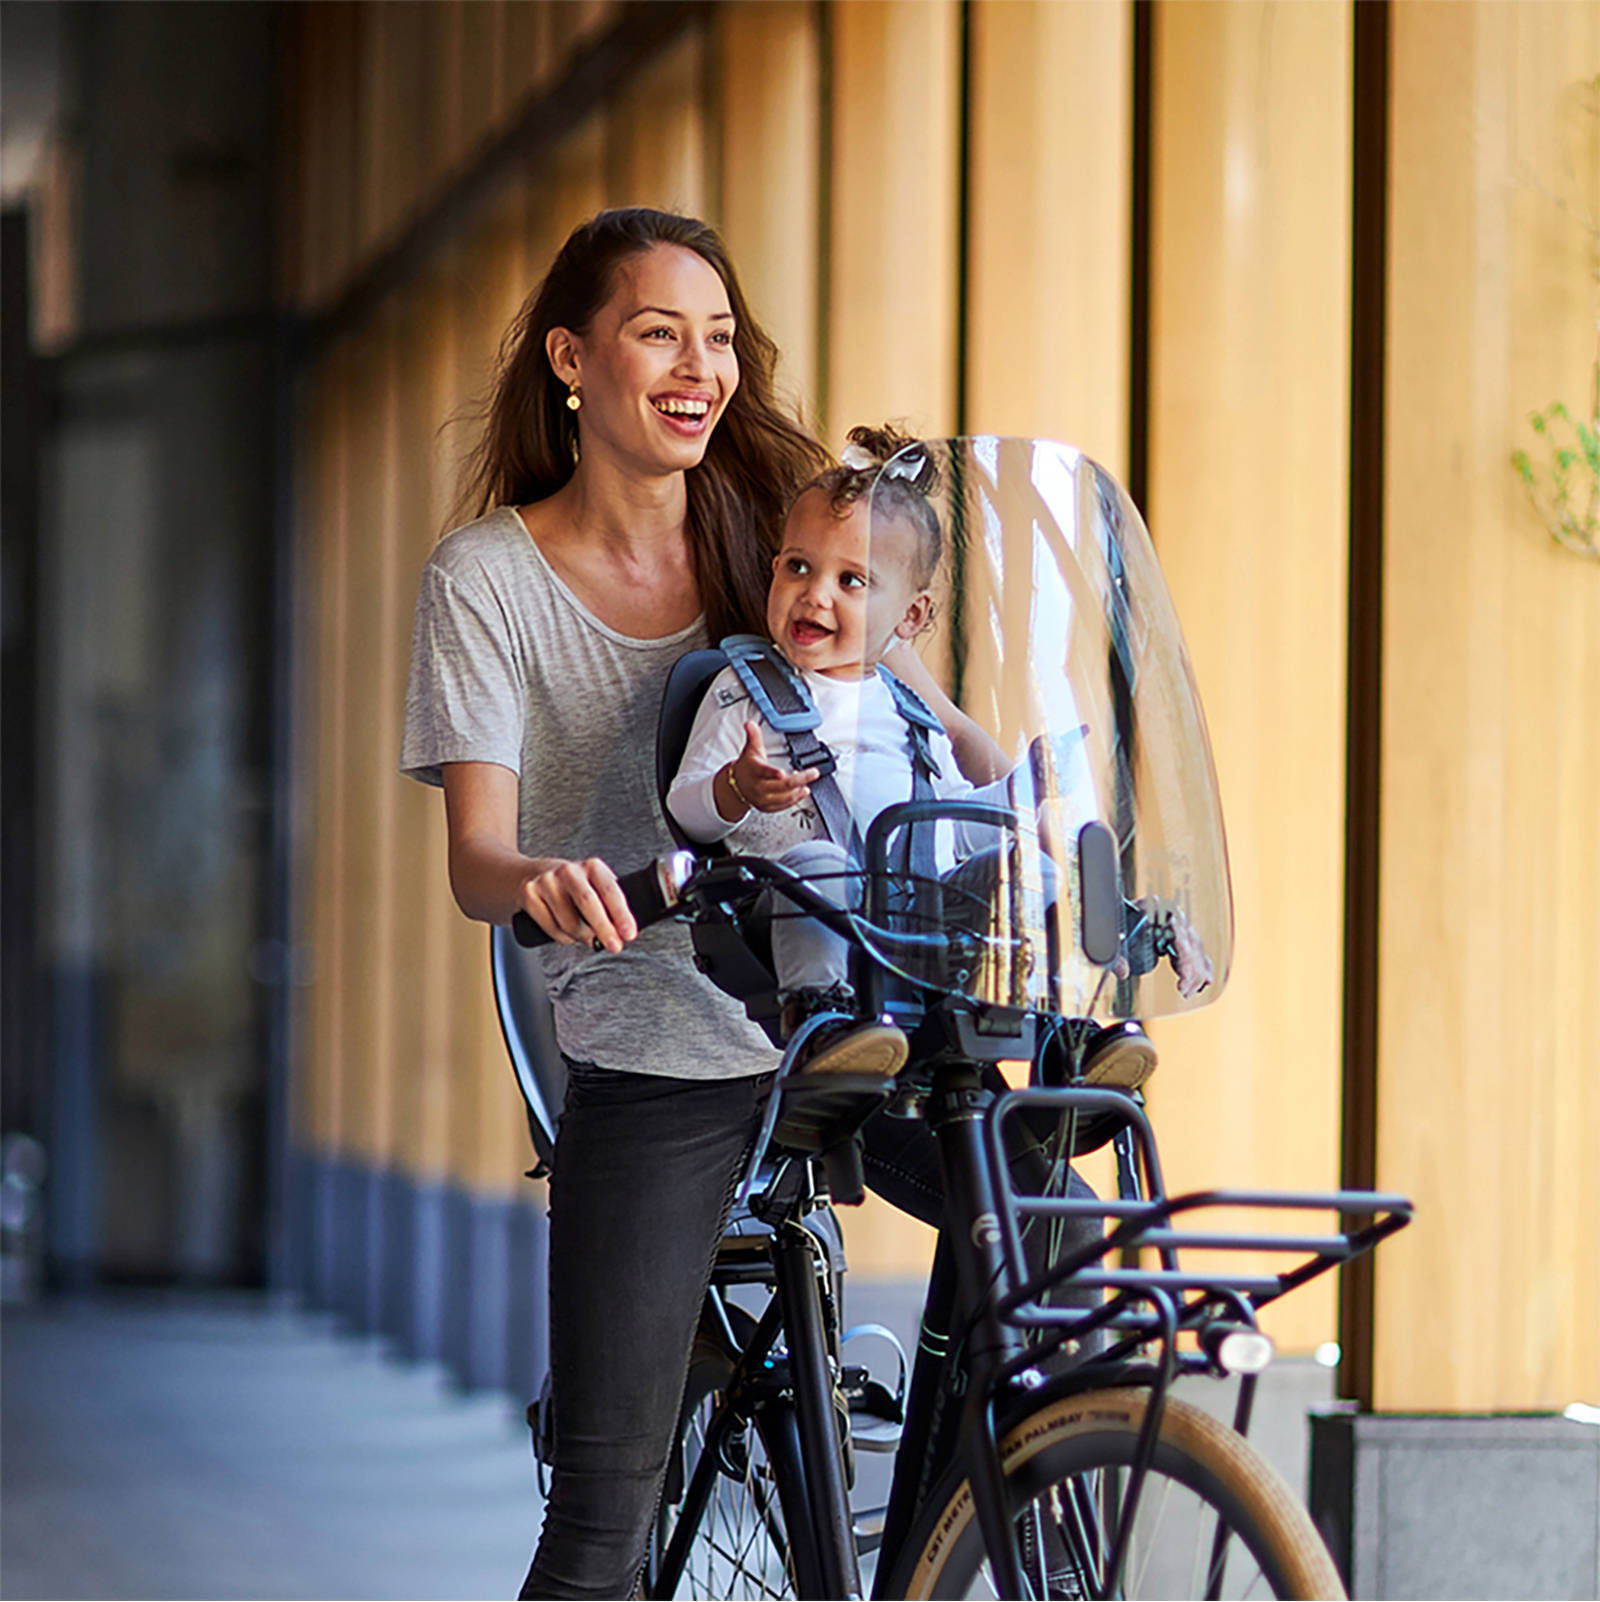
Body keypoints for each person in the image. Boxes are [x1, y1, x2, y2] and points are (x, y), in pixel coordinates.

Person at [399, 208, 1015, 1601]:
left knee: (1033, 1196)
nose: (700, 366)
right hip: (652, 1014)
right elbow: (476, 858)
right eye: (657, 331)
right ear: (571, 357)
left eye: (721, 336)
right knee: (602, 1522)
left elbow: (919, 715)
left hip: (843, 998)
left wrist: (1032, 800)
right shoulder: (486, 580)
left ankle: (919, 1535)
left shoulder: (780, 528)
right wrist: (543, 880)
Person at [665, 424, 1022, 1077]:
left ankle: (1066, 1024)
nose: (815, 592)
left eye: (852, 580)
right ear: (774, 569)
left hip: (914, 923)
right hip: (795, 921)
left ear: (910, 618)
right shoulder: (744, 690)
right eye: (798, 566)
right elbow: (687, 810)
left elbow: (952, 821)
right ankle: (823, 1025)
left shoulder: (907, 711)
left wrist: (1020, 801)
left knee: (1020, 867)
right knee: (820, 862)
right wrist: (738, 787)